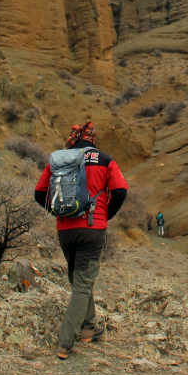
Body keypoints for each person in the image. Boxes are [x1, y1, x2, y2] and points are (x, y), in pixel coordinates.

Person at [34, 121, 127, 360]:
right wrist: (105, 214)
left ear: (74, 138)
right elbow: (120, 191)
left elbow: (39, 193)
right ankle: (65, 342)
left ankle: (88, 327)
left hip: (65, 230)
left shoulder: (59, 159)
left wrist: (59, 215)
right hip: (92, 228)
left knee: (79, 279)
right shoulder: (105, 160)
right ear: (93, 139)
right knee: (83, 284)